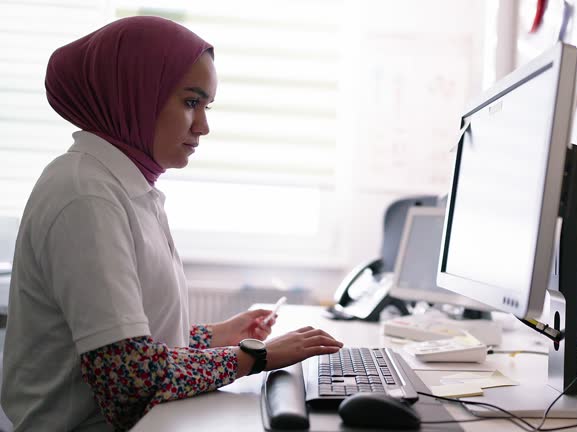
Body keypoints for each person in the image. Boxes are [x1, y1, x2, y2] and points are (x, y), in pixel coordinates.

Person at [0, 16, 343, 431]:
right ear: (135, 93)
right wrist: (260, 356)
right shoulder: (85, 195)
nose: (203, 126)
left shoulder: (123, 184)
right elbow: (132, 378)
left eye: (206, 106)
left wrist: (221, 334)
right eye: (190, 102)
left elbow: (132, 344)